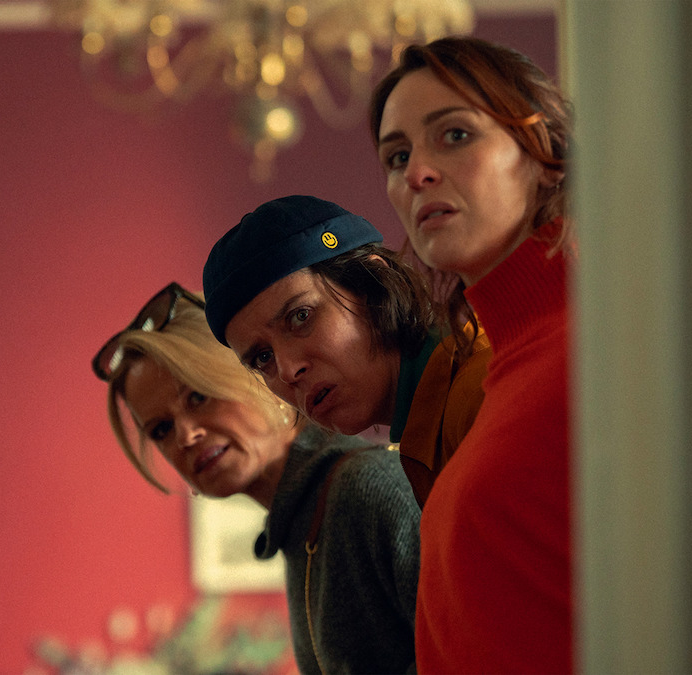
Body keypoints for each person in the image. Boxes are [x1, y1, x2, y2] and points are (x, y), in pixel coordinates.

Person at [370, 36, 573, 673]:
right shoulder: (500, 376)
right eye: (397, 156)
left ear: (542, 154)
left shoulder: (602, 358)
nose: (417, 173)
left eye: (454, 135)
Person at [93, 282, 420, 673]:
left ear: (262, 374)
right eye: (161, 429)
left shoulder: (366, 488)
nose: (185, 436)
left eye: (198, 397)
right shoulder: (303, 524)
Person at [201, 195, 491, 508]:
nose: (287, 370)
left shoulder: (481, 395)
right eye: (263, 357)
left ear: (374, 285)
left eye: (300, 317)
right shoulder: (431, 425)